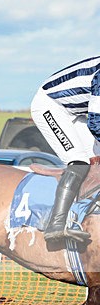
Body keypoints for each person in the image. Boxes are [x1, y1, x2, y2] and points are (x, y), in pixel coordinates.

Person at [31, 56, 100, 244]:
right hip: (49, 106)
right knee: (79, 161)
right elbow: (95, 122)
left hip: (75, 112)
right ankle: (56, 224)